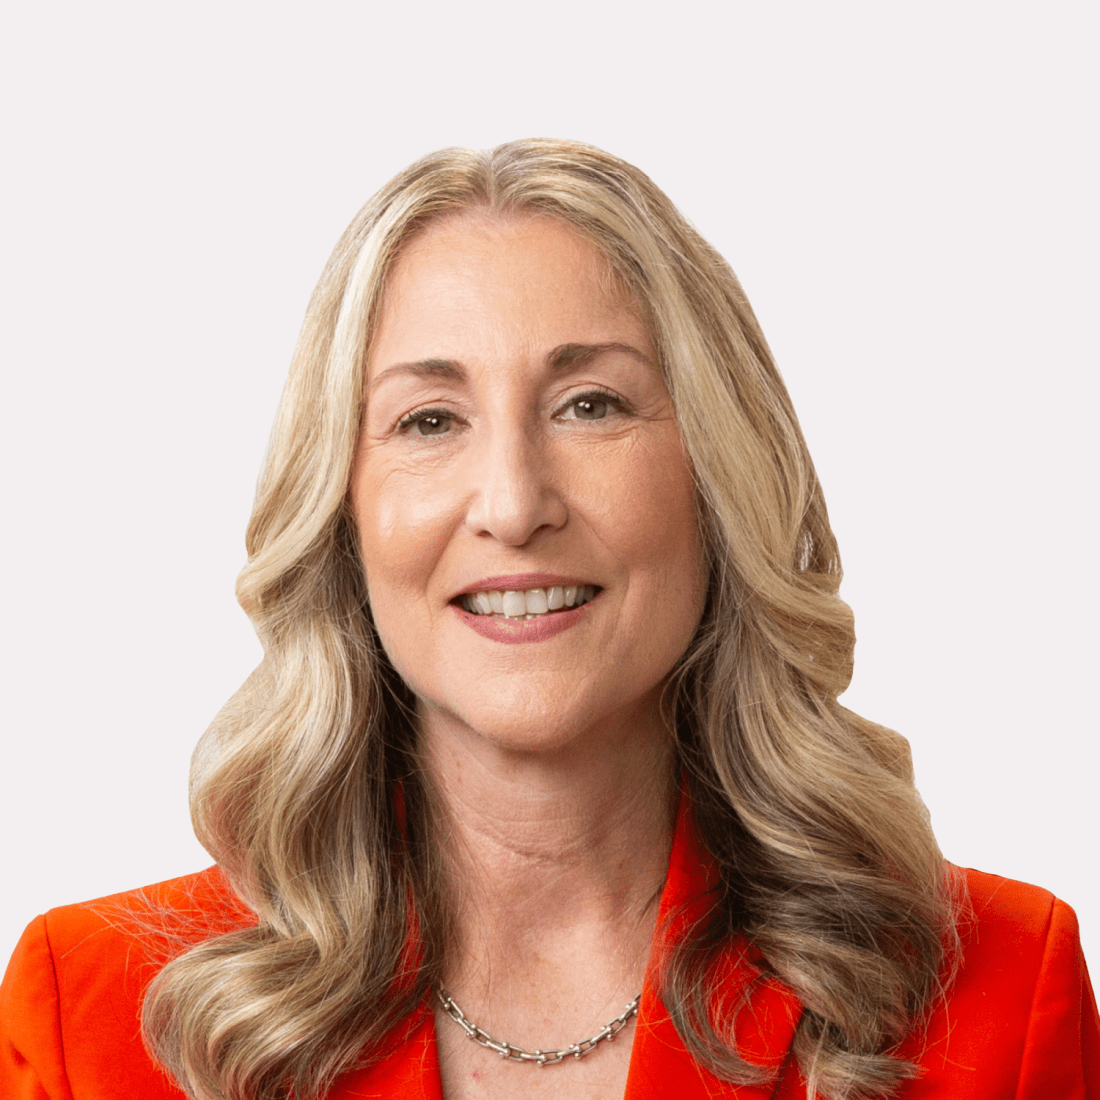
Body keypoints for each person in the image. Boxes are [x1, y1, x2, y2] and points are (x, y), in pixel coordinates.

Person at [1, 139, 1097, 1100]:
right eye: (428, 418)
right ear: (343, 512)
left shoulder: (997, 988)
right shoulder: (92, 1011)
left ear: (717, 475)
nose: (515, 503)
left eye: (591, 405)